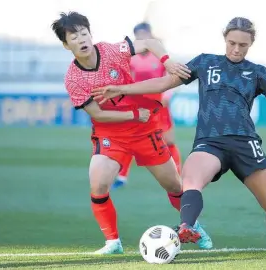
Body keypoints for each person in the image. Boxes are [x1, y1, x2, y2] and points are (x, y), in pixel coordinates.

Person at [92, 17, 266, 254]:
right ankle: (187, 227)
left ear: (250, 44)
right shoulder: (205, 62)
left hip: (246, 144)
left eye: (243, 45)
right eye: (232, 43)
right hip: (210, 142)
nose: (236, 49)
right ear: (225, 39)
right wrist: (121, 89)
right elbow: (162, 84)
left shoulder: (257, 72)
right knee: (190, 179)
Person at [51, 11, 212, 255]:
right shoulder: (73, 78)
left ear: (90, 34)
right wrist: (133, 115)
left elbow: (149, 43)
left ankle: (194, 226)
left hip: (143, 131)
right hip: (111, 134)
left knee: (173, 184)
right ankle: (112, 242)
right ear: (65, 44)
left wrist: (166, 60)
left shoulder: (111, 50)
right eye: (74, 37)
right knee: (98, 184)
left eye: (84, 33)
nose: (81, 39)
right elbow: (97, 114)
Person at [112, 22, 182, 189]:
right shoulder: (130, 57)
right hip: (138, 102)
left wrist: (167, 95)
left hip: (159, 102)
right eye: (139, 36)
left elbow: (173, 75)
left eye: (145, 35)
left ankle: (177, 172)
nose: (142, 39)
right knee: (130, 138)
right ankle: (121, 176)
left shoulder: (160, 54)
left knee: (168, 140)